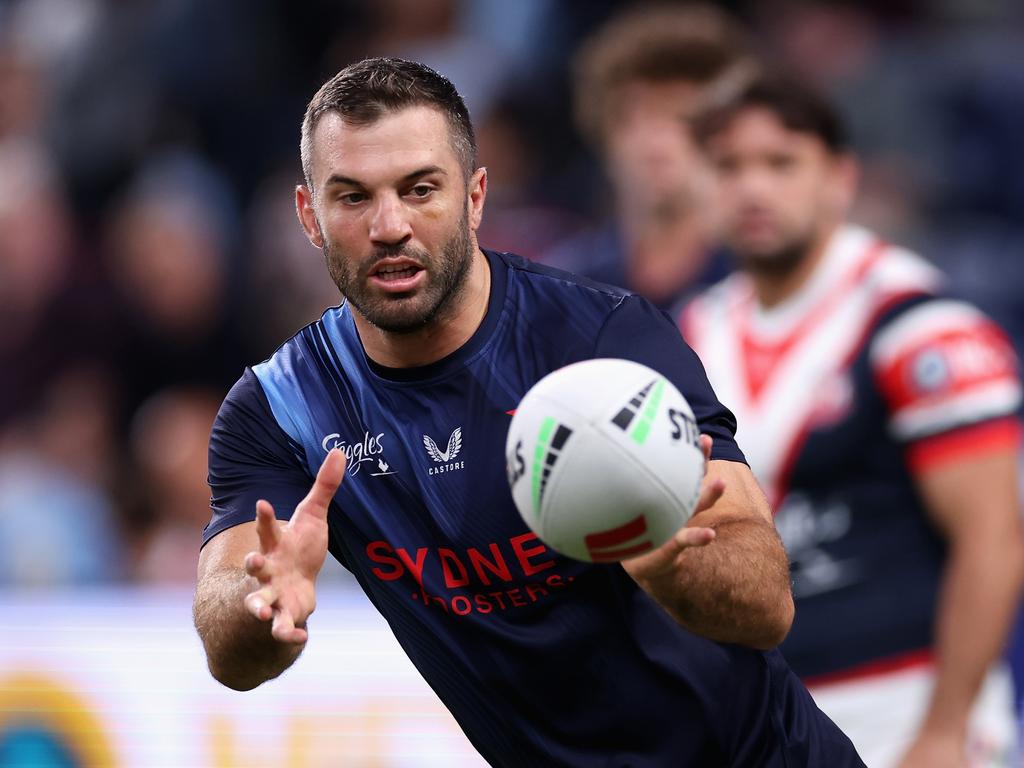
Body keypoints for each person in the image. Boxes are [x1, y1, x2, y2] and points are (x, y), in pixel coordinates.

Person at [193, 57, 864, 767]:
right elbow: (227, 646)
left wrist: (678, 573)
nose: (389, 226)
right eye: (352, 198)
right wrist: (261, 605)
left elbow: (768, 607)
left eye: (421, 190)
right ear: (309, 216)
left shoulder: (603, 341)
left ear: (477, 196)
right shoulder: (281, 409)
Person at [681, 72, 1024, 767]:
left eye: (781, 163)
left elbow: (995, 536)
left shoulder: (924, 328)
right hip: (763, 710)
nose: (752, 188)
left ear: (839, 177)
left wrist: (945, 729)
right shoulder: (689, 331)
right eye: (728, 167)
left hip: (907, 703)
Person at [540, 4, 751, 314]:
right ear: (603, 133)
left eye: (682, 118)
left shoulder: (756, 276)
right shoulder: (561, 288)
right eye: (634, 120)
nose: (655, 143)